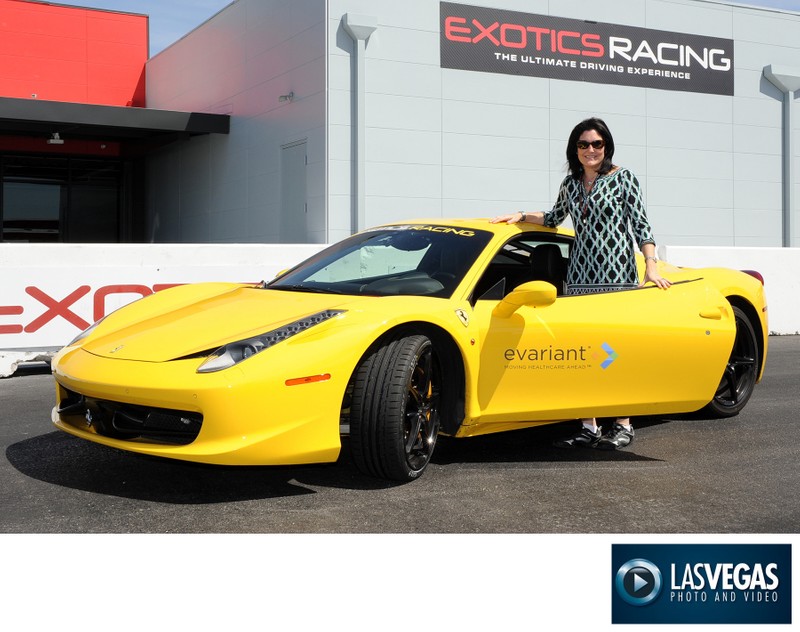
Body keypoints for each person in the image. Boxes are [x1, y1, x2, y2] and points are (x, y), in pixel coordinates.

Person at [490, 117, 671, 450]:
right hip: (580, 278)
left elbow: (642, 226)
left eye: (597, 144)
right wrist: (519, 215)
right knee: (588, 351)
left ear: (606, 147)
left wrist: (650, 265)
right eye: (584, 144)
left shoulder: (624, 178)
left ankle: (623, 423)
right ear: (575, 149)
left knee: (616, 351)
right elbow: (553, 216)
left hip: (616, 276)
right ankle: (588, 426)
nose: (591, 150)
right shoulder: (571, 184)